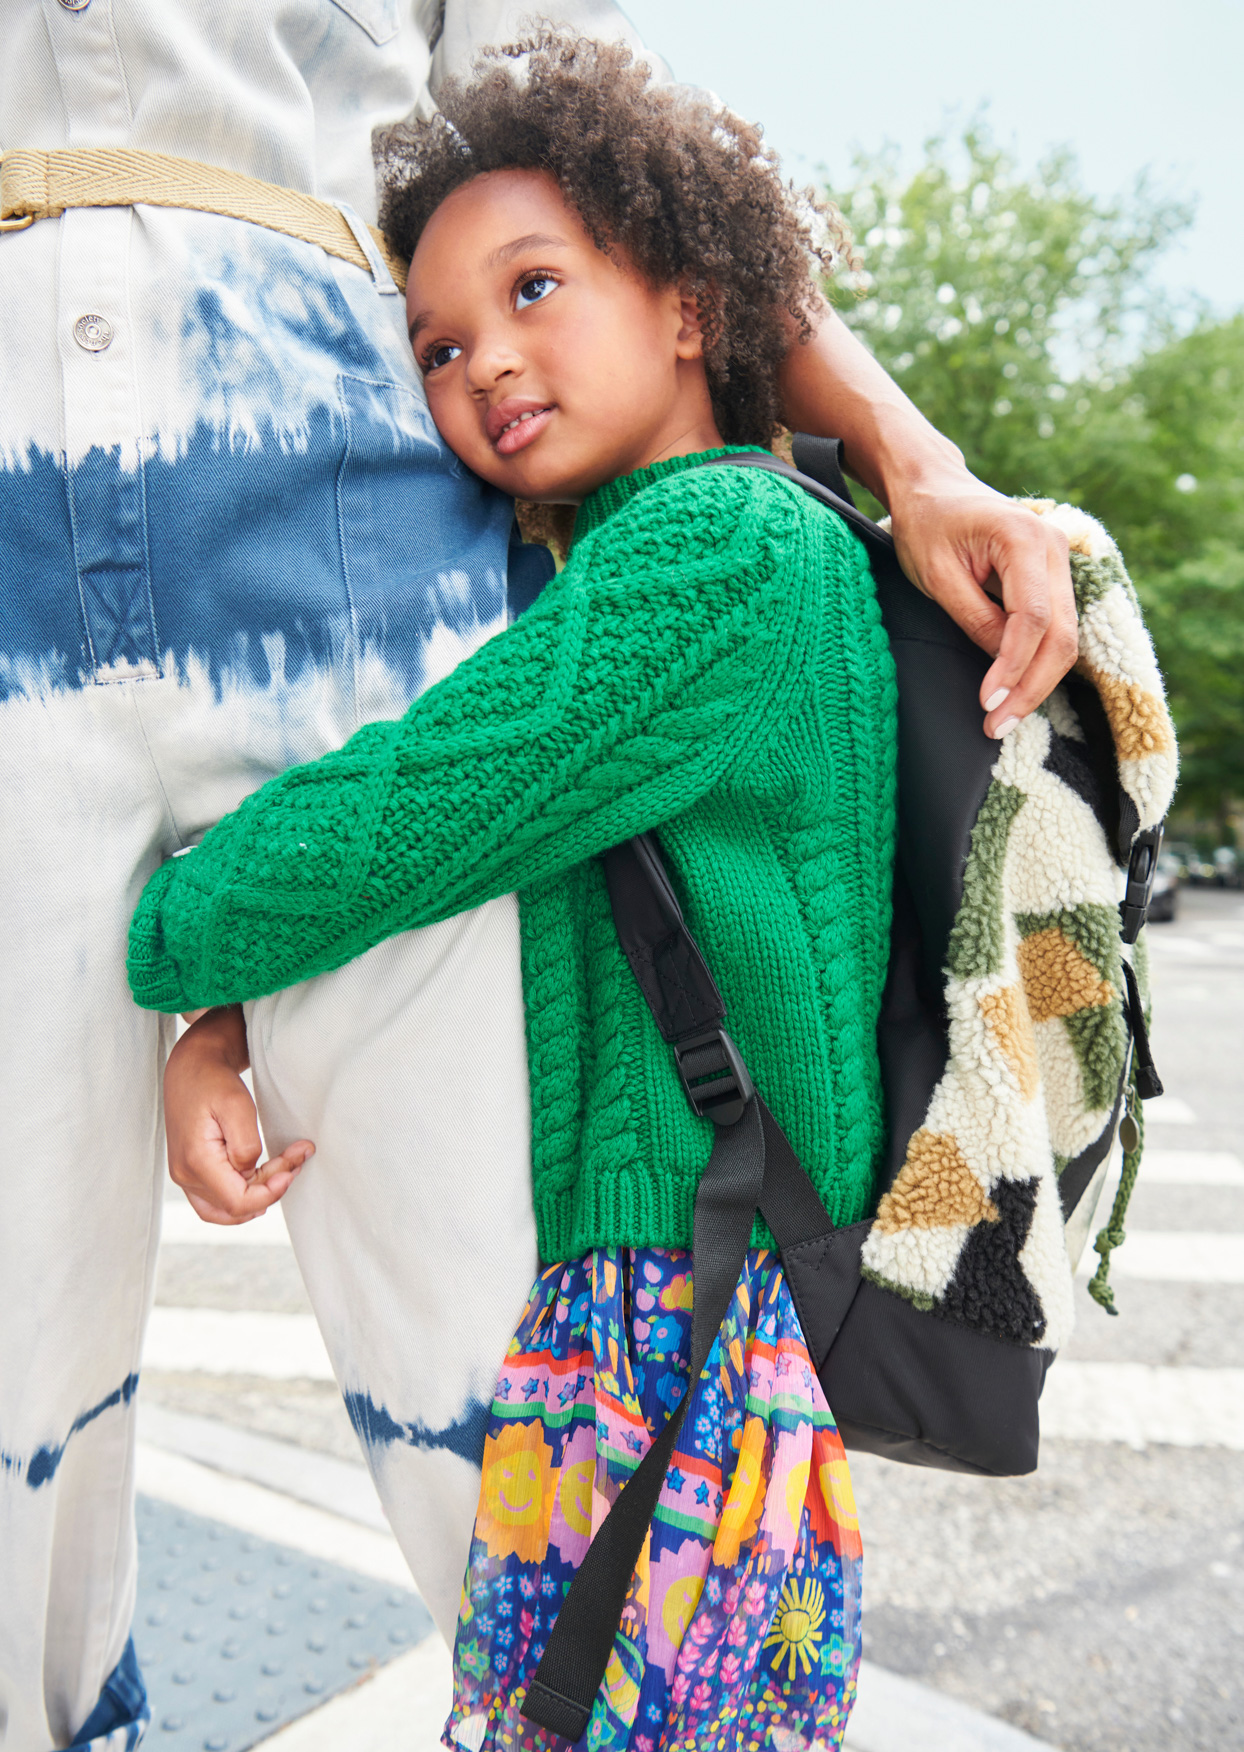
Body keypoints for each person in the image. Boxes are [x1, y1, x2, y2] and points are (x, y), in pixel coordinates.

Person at [0, 5, 1074, 1748]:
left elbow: (421, 810)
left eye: (533, 292)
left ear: (693, 305)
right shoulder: (641, 560)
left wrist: (153, 933)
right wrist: (217, 1013)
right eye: (426, 342)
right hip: (653, 1303)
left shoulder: (717, 554)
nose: (478, 362)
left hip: (688, 1318)